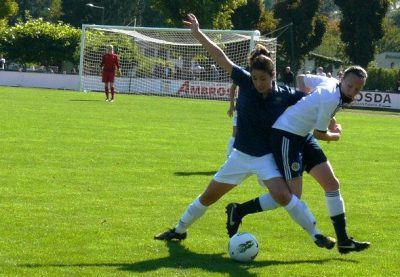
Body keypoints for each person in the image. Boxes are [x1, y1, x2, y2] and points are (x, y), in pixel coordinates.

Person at [154, 13, 335, 250]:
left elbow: (314, 103)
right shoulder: (245, 80)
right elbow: (220, 56)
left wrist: (330, 121)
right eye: (255, 77)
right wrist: (198, 34)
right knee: (209, 196)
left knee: (285, 196)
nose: (258, 82)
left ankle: (316, 234)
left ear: (273, 76)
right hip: (239, 156)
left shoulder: (286, 94)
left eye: (263, 78)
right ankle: (179, 230)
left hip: (265, 158)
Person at [227, 73, 371, 254]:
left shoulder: (330, 82)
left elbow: (302, 77)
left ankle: (343, 241)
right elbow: (320, 134)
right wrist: (336, 135)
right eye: (349, 86)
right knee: (292, 196)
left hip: (303, 135)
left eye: (357, 89)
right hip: (286, 136)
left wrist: (307, 104)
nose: (352, 92)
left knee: (332, 184)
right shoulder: (332, 99)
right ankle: (239, 210)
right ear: (342, 80)